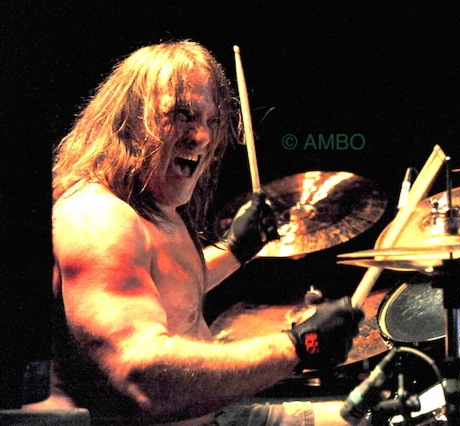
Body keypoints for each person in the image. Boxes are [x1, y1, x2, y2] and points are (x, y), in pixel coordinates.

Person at [24, 40, 364, 425]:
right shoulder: (99, 218)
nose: (201, 136)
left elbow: (164, 289)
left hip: (214, 415)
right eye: (183, 115)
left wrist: (235, 250)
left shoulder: (152, 206)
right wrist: (297, 346)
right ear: (129, 120)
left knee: (368, 416)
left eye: (211, 121)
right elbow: (139, 376)